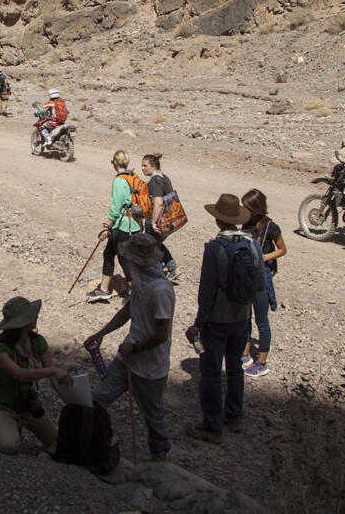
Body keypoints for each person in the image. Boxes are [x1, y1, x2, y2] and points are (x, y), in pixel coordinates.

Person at [84, 232, 175, 462]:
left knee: (154, 418)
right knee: (98, 398)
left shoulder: (161, 291)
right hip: (127, 359)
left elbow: (161, 334)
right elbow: (127, 311)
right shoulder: (142, 281)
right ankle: (97, 444)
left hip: (149, 365)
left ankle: (160, 463)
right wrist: (101, 333)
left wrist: (135, 348)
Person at [185, 194, 254, 442]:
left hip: (217, 319)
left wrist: (198, 323)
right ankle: (235, 416)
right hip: (242, 316)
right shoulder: (251, 244)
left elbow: (207, 291)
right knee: (235, 367)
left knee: (212, 371)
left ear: (218, 221)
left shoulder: (214, 249)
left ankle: (212, 425)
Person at [0, 297, 70, 454]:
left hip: (29, 405)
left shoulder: (38, 342)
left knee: (57, 444)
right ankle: (1, 426)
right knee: (9, 446)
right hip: (2, 407)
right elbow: (20, 375)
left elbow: (53, 376)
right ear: (23, 323)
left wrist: (70, 396)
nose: (36, 317)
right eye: (32, 315)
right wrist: (53, 371)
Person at [241, 188, 286, 379]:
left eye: (247, 207)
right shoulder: (245, 223)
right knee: (245, 317)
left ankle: (262, 362)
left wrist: (264, 256)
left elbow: (282, 249)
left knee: (262, 320)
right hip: (246, 274)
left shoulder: (271, 227)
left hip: (262, 276)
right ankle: (244, 354)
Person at [87, 150, 143, 303]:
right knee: (109, 253)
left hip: (124, 226)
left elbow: (116, 205)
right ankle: (104, 289)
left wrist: (108, 223)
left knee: (124, 258)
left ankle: (135, 291)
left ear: (115, 163)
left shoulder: (119, 181)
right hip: (135, 224)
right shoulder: (133, 177)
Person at [141, 153, 180, 283]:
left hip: (158, 219)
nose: (142, 168)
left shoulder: (153, 182)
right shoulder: (164, 177)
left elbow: (158, 202)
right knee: (157, 244)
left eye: (145, 165)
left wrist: (152, 223)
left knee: (152, 249)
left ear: (153, 166)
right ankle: (172, 268)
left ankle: (156, 278)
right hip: (170, 218)